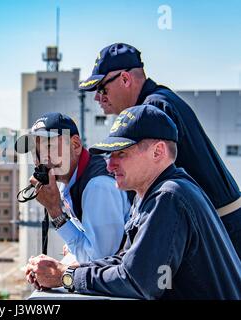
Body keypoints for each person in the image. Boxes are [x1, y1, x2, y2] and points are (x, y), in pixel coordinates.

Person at [25, 105, 241, 299]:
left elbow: (139, 281)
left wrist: (66, 276)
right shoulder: (154, 193)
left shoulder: (168, 196)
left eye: (121, 153)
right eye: (110, 155)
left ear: (158, 152)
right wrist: (61, 271)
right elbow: (123, 262)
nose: (110, 165)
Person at [79, 43, 241, 258]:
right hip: (222, 224)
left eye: (102, 89)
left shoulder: (152, 108)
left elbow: (147, 184)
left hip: (221, 230)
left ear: (125, 79)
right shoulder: (161, 98)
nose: (98, 98)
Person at [15, 112, 130, 263]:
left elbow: (99, 261)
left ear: (75, 145)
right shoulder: (68, 180)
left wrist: (54, 210)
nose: (40, 159)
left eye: (48, 146)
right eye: (35, 151)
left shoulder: (97, 186)